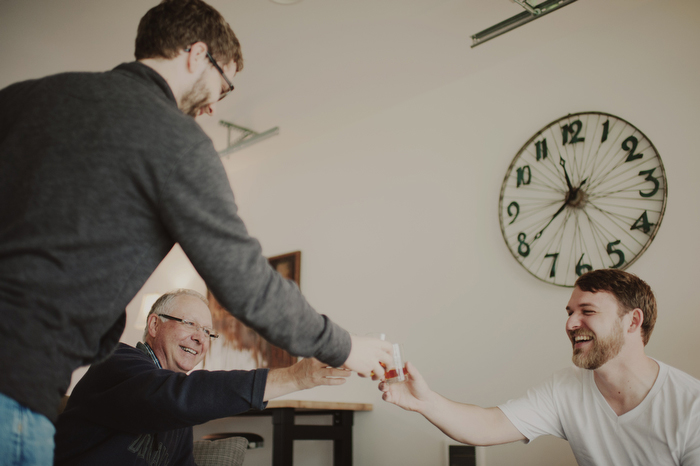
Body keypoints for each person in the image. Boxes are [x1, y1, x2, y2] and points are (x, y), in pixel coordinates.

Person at [0, 0, 392, 463]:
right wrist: (345, 346)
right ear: (195, 54)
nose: (211, 106)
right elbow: (247, 284)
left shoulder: (22, 99)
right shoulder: (174, 138)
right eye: (223, 86)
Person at [380, 269, 700, 465]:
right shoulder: (566, 388)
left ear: (633, 321)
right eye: (570, 312)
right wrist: (426, 402)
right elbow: (488, 425)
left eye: (587, 311)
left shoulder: (691, 405)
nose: (571, 323)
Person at [54, 289, 351, 465]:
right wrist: (296, 377)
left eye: (208, 332)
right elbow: (174, 398)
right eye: (189, 324)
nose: (201, 338)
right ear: (154, 325)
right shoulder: (115, 360)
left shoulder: (180, 408)